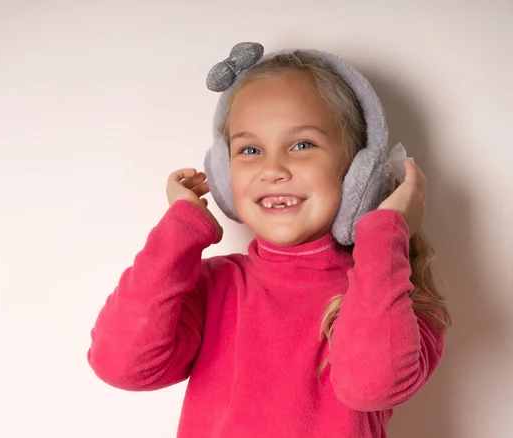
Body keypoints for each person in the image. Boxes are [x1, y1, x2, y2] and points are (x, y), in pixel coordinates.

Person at [86, 43, 451, 438]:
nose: (273, 169)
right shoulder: (212, 287)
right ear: (224, 174)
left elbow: (371, 385)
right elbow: (121, 365)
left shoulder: (390, 292)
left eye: (302, 145)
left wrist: (385, 232)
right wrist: (181, 230)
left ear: (357, 171)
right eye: (250, 149)